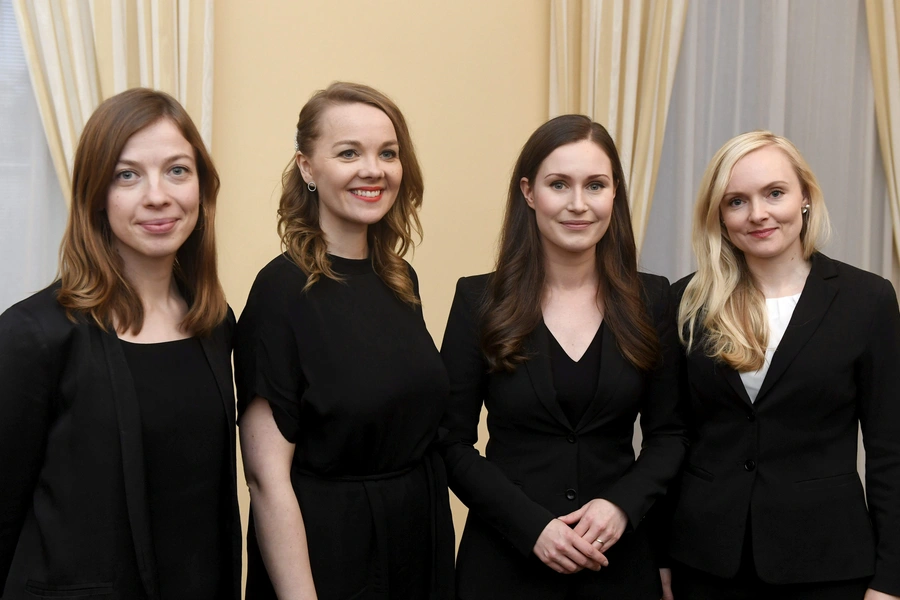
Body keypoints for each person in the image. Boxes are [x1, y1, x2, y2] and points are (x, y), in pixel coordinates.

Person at [0, 88, 240, 599]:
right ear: (95, 194)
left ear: (202, 187)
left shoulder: (215, 324)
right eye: (127, 175)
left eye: (177, 170)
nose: (158, 195)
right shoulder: (34, 334)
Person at [439, 114, 688, 599]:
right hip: (504, 563)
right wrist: (531, 526)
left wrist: (621, 506)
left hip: (616, 561)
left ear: (614, 194)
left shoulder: (653, 299)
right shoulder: (478, 300)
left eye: (595, 185)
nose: (578, 204)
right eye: (559, 185)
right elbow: (449, 442)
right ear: (529, 192)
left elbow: (671, 434)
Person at [235, 82, 454, 600]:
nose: (373, 169)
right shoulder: (280, 291)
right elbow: (267, 480)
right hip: (328, 554)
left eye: (388, 153)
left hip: (416, 541)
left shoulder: (399, 278)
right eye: (348, 153)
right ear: (308, 167)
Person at [662, 130, 900, 600]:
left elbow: (891, 450)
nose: (758, 214)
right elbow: (669, 437)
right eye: (736, 201)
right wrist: (660, 558)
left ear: (805, 197)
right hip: (704, 564)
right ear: (720, 215)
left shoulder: (867, 301)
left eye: (774, 193)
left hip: (828, 565)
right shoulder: (685, 301)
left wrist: (891, 579)